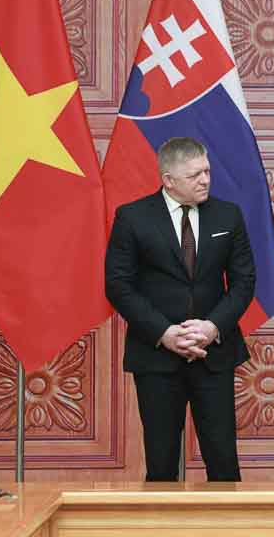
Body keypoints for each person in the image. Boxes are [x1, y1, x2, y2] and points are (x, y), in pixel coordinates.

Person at [105, 136, 256, 482]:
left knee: (223, 462)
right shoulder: (132, 217)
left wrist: (212, 327)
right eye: (195, 175)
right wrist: (165, 333)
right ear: (168, 180)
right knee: (161, 463)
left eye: (207, 171)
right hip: (156, 357)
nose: (205, 180)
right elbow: (118, 286)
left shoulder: (227, 215)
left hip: (213, 355)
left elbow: (244, 281)